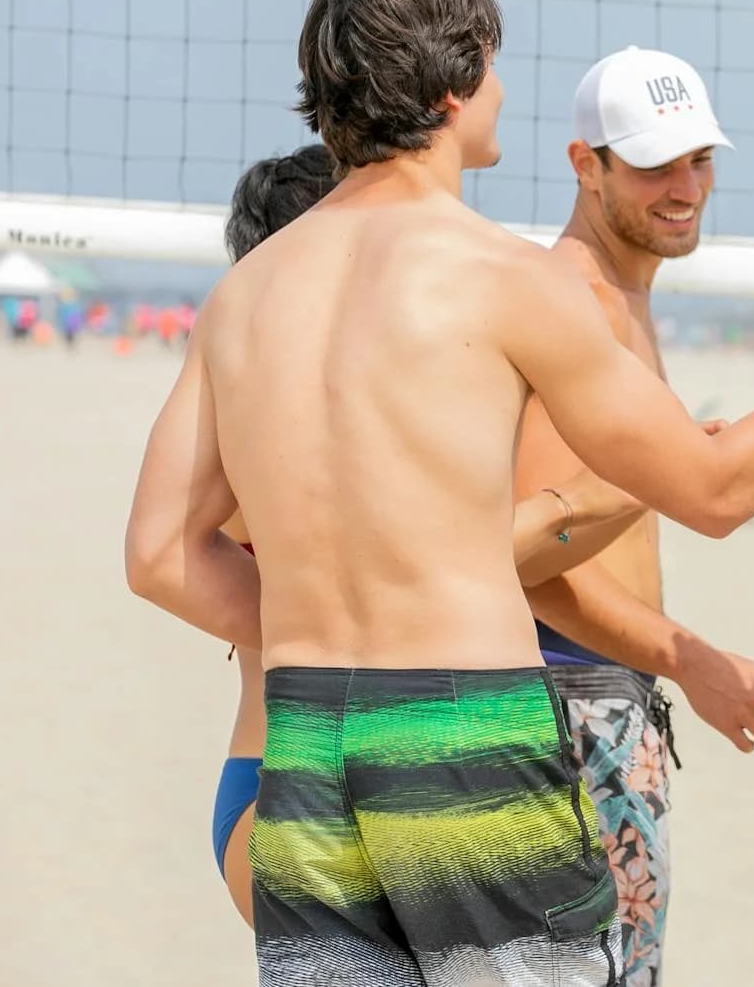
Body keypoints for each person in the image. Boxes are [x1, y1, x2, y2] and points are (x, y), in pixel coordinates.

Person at [123, 0, 754, 985]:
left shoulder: (246, 293)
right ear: (457, 86)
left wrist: (337, 622)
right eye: (495, 67)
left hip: (309, 743)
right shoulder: (501, 276)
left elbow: (156, 552)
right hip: (465, 737)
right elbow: (715, 490)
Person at [208, 142, 644, 929]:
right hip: (359, 769)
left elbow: (166, 555)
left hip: (273, 769)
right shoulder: (360, 423)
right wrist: (557, 508)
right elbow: (395, 575)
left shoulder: (247, 405)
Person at [515, 46, 754, 985]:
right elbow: (537, 563)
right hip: (568, 708)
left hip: (605, 700)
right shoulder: (579, 303)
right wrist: (688, 658)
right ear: (583, 162)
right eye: (653, 164)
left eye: (700, 158)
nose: (685, 187)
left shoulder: (623, 296)